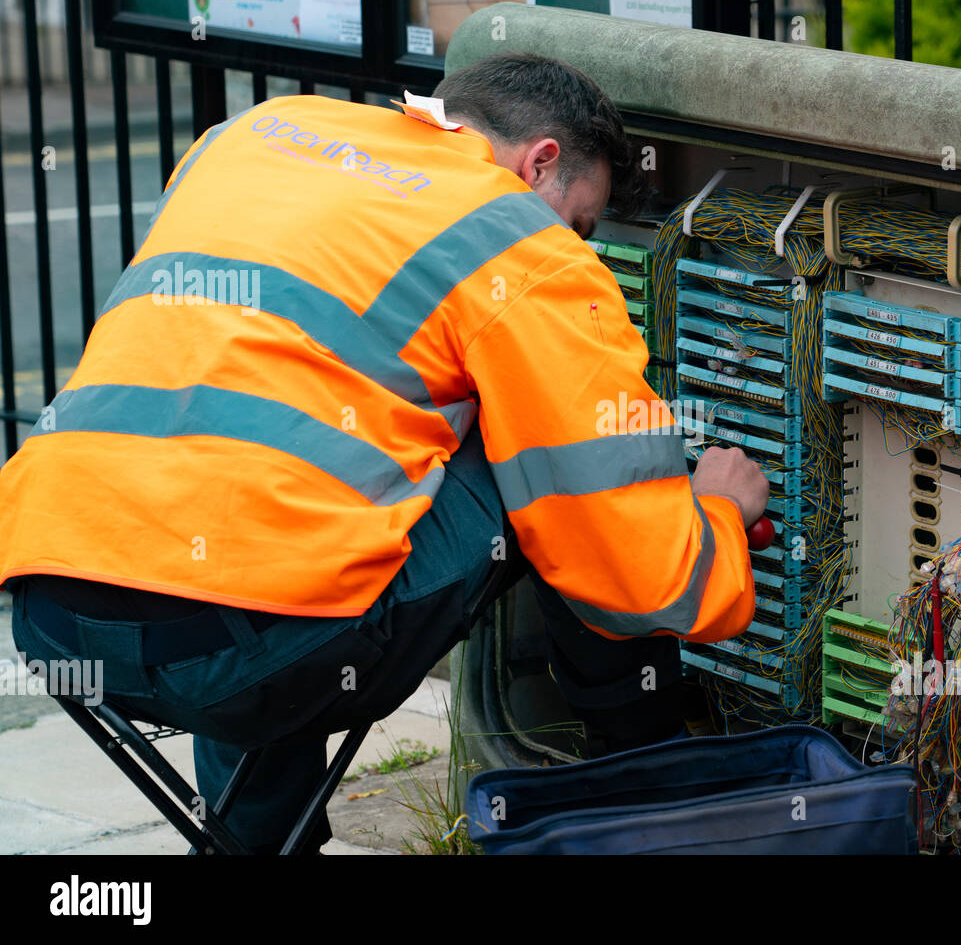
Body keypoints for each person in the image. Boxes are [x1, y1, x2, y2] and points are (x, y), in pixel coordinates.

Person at [0, 52, 768, 853]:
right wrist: (715, 505)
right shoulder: (516, 238)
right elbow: (638, 562)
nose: (577, 246)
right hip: (254, 650)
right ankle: (652, 798)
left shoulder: (256, 133)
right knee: (554, 463)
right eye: (578, 223)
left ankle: (257, 842)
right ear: (541, 161)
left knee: (272, 514)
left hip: (54, 610)